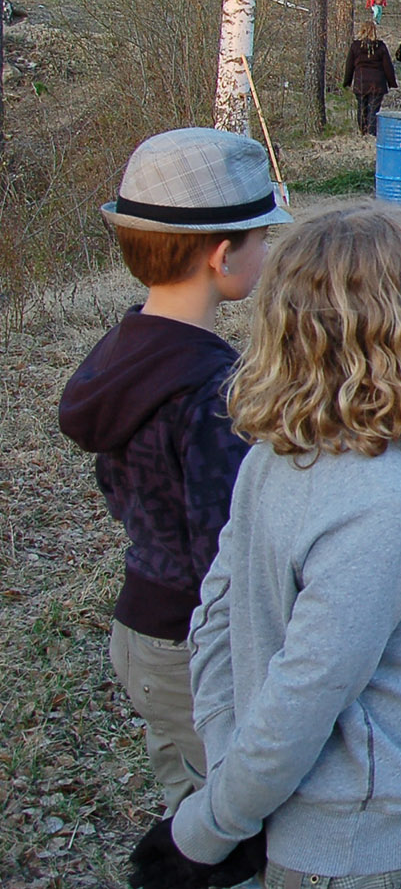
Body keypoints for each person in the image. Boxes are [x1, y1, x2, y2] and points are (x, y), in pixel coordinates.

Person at [131, 204, 401, 889]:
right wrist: (209, 829)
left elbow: (214, 618)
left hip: (305, 828)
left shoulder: (273, 454)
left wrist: (227, 774)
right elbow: (303, 695)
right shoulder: (384, 505)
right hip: (361, 846)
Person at [58, 130, 290, 823]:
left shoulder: (126, 351)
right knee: (217, 822)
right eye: (259, 239)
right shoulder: (210, 390)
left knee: (189, 791)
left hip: (142, 624)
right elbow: (230, 546)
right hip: (197, 644)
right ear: (223, 256)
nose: (265, 252)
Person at [342, 20, 395, 135]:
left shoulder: (355, 46)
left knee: (362, 108)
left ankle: (363, 131)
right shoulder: (380, 46)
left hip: (361, 82)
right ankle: (372, 132)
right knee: (374, 109)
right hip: (377, 83)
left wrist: (347, 82)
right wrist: (392, 82)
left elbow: (349, 66)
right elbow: (388, 66)